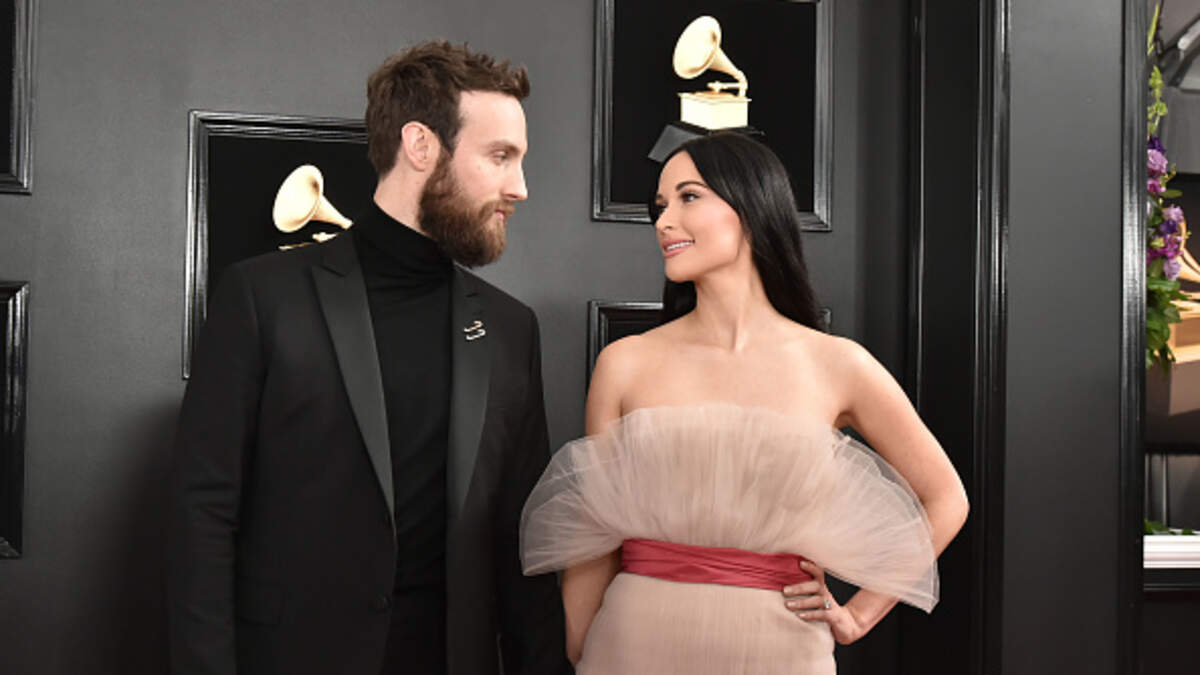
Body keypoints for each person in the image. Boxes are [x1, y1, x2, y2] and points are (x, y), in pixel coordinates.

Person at [168, 41, 568, 675]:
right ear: (420, 145)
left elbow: (521, 541)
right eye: (500, 156)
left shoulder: (510, 329)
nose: (519, 186)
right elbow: (203, 514)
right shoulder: (262, 297)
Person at [520, 132, 970, 674]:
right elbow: (595, 535)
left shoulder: (838, 364)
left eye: (688, 197)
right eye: (660, 206)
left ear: (752, 207)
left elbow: (947, 498)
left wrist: (858, 616)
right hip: (631, 643)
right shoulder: (625, 363)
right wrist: (579, 650)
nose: (663, 222)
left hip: (782, 649)